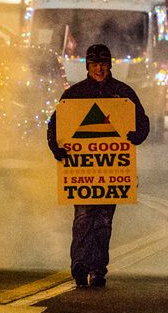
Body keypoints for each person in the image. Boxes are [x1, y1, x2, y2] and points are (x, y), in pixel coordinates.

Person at [47, 43, 149, 288]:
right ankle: (79, 265)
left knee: (103, 221)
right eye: (94, 65)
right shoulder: (74, 95)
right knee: (83, 218)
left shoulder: (123, 93)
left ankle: (98, 267)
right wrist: (57, 149)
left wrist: (137, 135)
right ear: (88, 67)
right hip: (82, 172)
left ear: (109, 65)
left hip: (111, 172)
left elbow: (142, 122)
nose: (99, 69)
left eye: (103, 64)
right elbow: (55, 125)